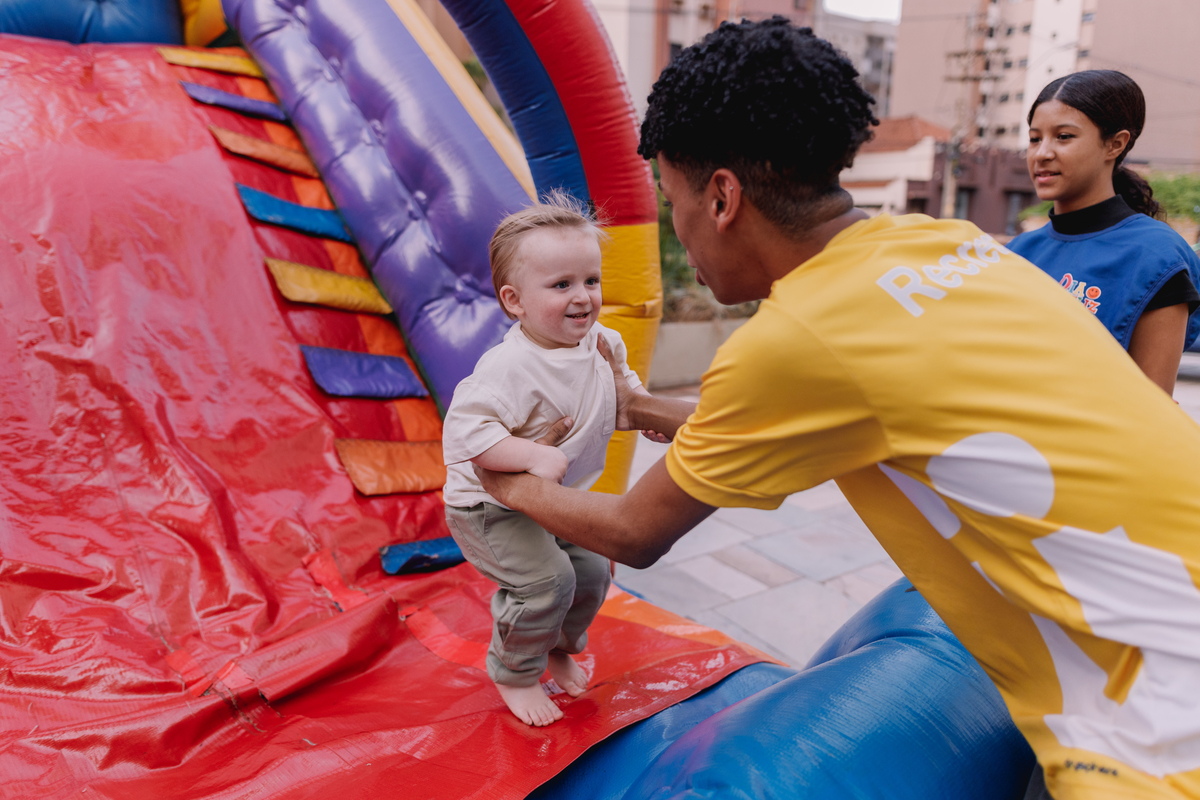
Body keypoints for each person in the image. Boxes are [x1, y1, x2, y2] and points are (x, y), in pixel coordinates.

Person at [475, 19, 1200, 799]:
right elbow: (827, 406)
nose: (674, 222)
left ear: (721, 196)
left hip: (1155, 707)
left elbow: (633, 532)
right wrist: (638, 404)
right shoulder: (952, 245)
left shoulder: (796, 340)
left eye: (671, 198)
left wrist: (496, 472)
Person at [441, 193, 644, 727]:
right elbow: (465, 432)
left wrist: (639, 412)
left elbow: (620, 387)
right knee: (546, 582)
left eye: (590, 281)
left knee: (595, 572)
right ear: (515, 301)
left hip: (552, 500)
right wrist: (532, 453)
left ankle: (557, 646)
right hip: (489, 507)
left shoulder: (603, 343)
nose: (583, 298)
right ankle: (515, 671)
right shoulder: (509, 367)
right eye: (561, 285)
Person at [1008, 70, 1200, 395]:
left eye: (1064, 136)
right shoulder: (1016, 253)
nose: (1042, 153)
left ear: (1115, 144)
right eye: (1035, 138)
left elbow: (1150, 408)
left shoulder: (1156, 256)